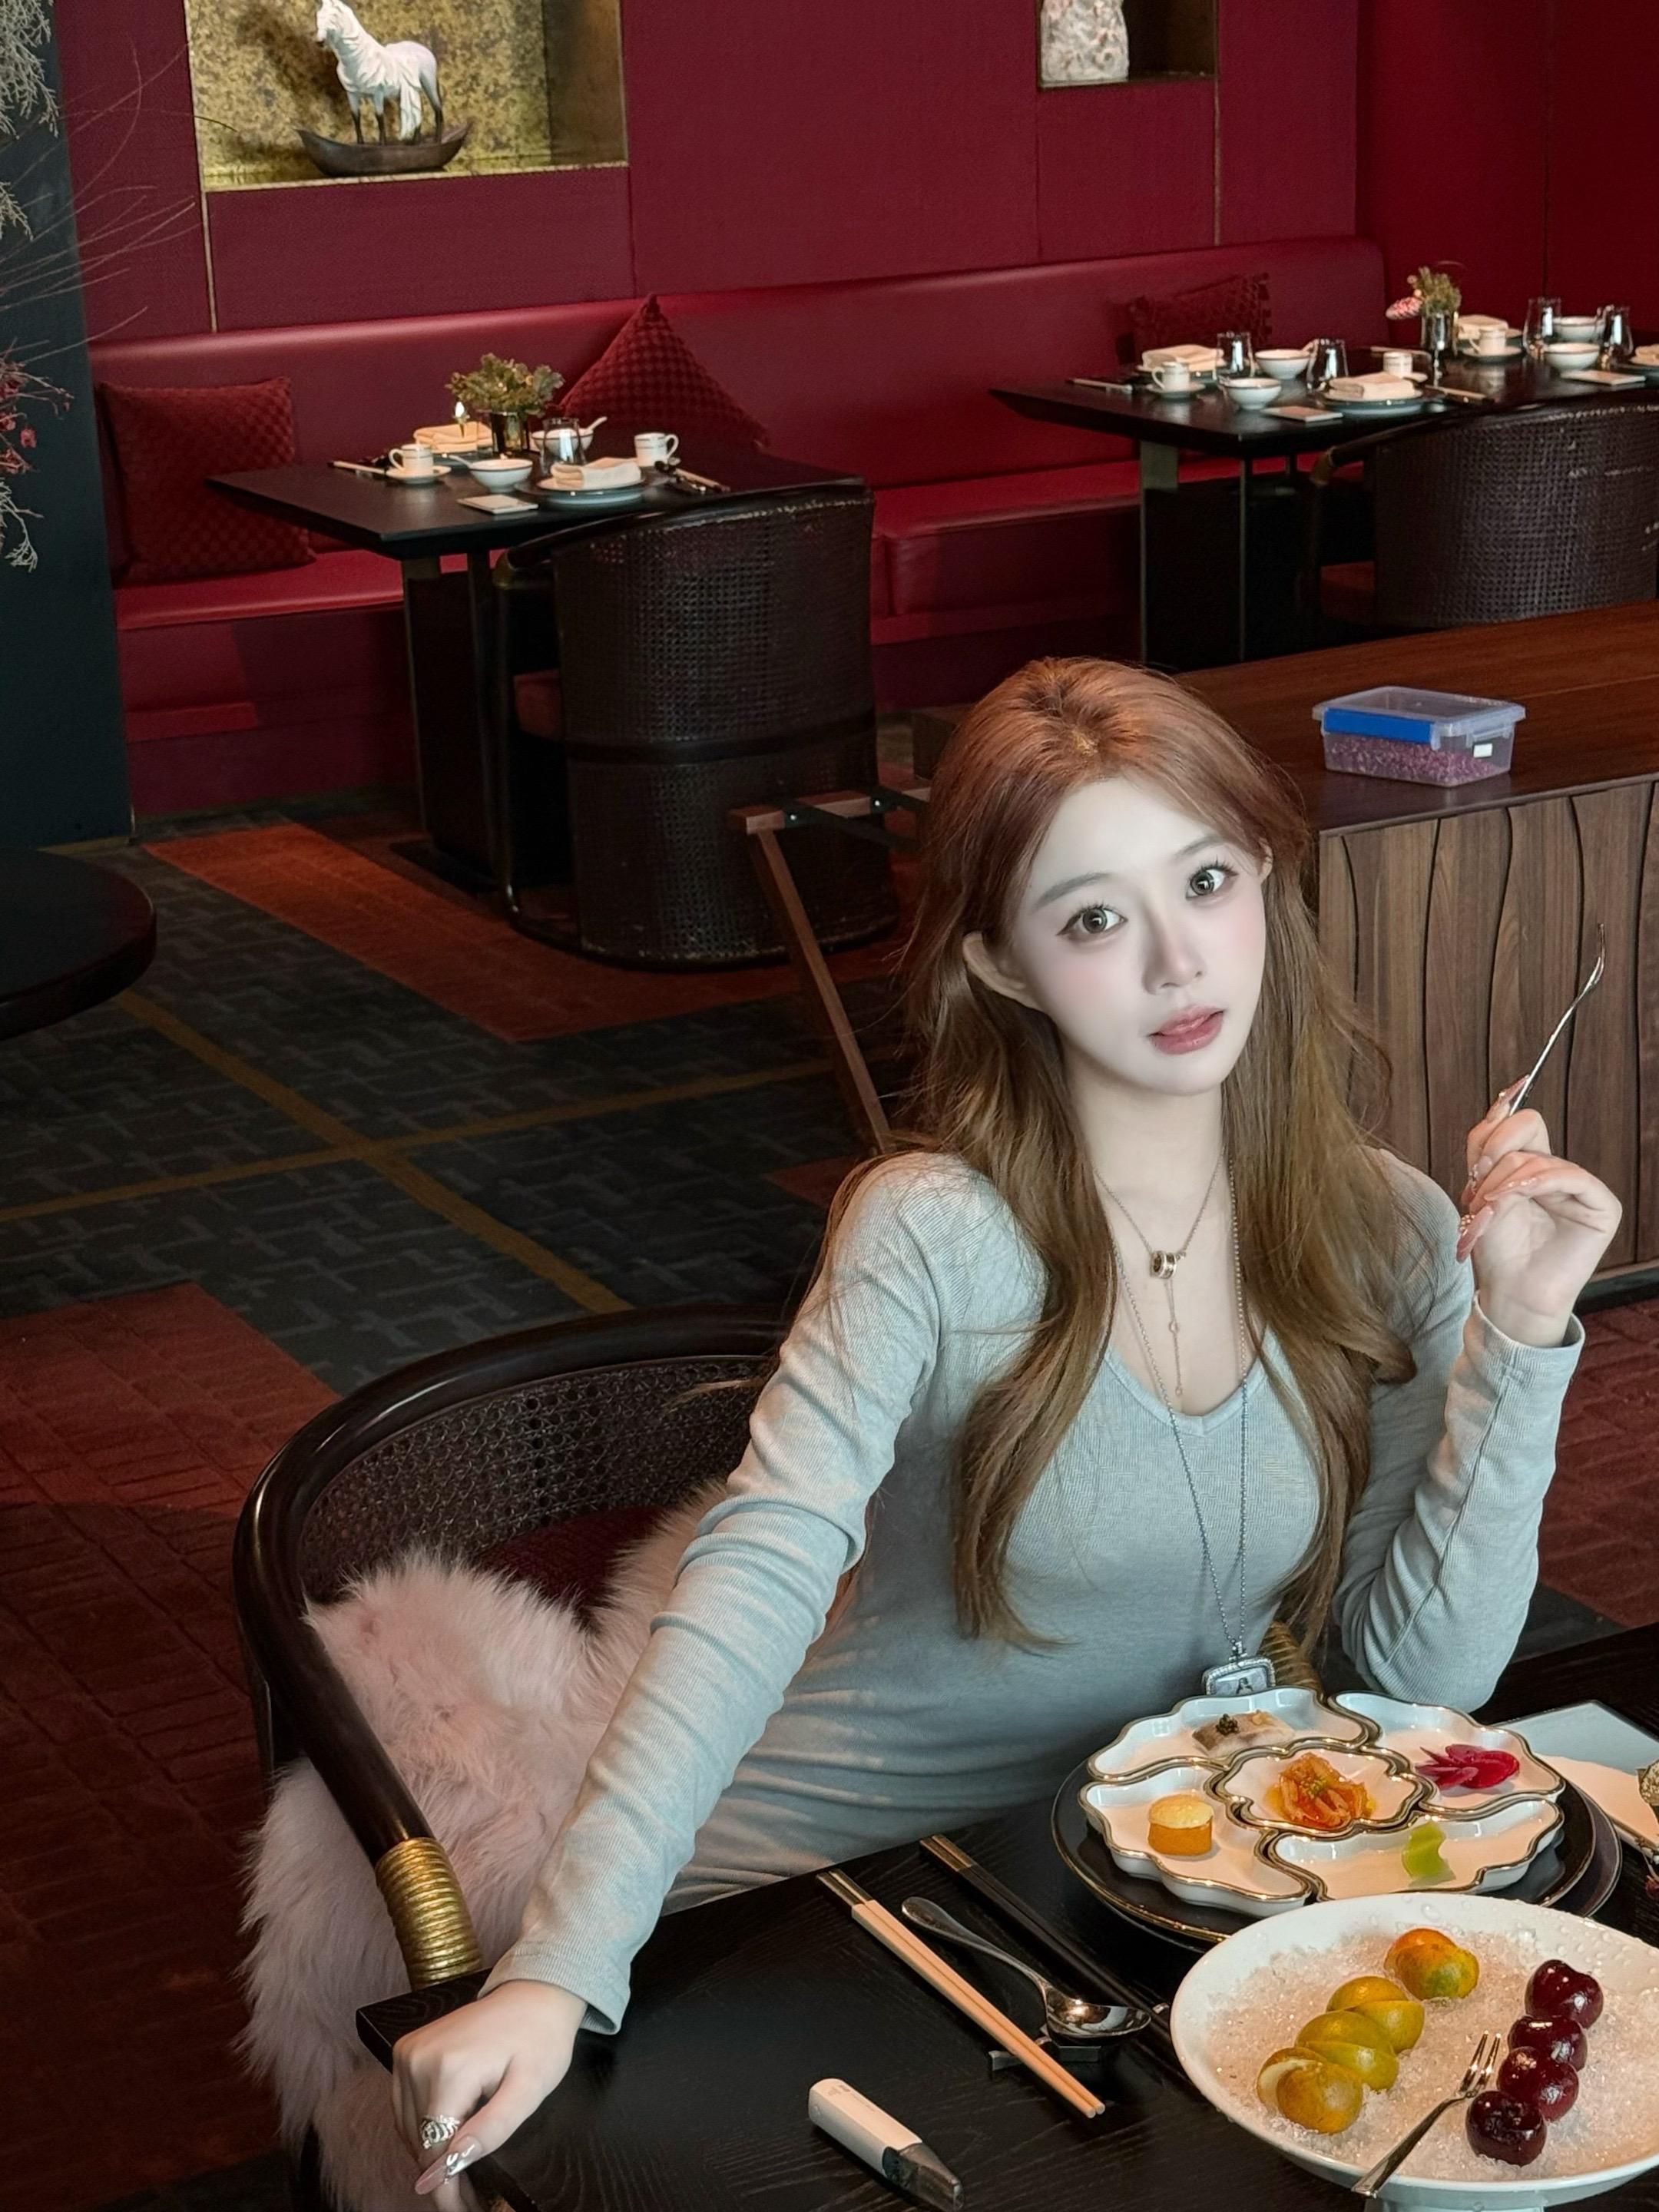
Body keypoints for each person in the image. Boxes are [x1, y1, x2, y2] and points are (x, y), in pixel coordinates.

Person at [395, 659, 1618, 2202]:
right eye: (1094, 918)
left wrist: (1518, 1339)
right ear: (1007, 965)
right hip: (837, 1871)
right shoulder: (930, 1231)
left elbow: (1418, 1684)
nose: (1177, 960)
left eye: (1207, 881)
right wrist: (560, 1967)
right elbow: (759, 1571)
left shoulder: (1390, 1228)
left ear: (1266, 880)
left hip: (1145, 1884)